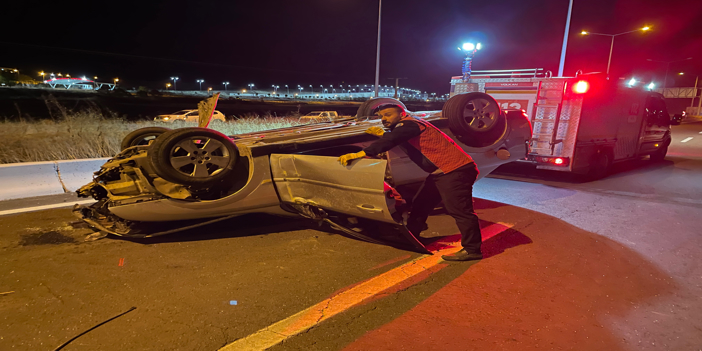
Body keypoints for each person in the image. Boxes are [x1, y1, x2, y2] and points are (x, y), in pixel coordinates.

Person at [338, 103, 483, 261]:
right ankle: (412, 236)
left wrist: (361, 153)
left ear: (401, 114)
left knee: (460, 211)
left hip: (454, 170)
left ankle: (472, 250)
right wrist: (383, 134)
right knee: (421, 203)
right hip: (441, 172)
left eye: (388, 114)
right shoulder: (409, 125)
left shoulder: (409, 124)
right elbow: (400, 137)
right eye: (381, 117)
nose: (383, 119)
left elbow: (394, 138)